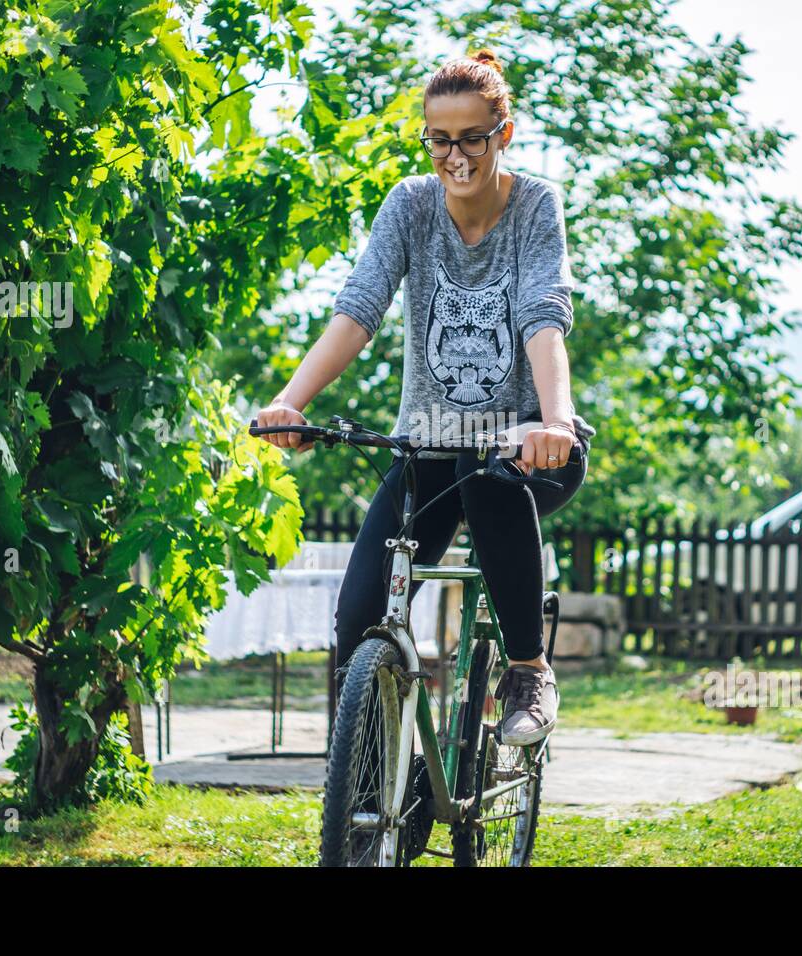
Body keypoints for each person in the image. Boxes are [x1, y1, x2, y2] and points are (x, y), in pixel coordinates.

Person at [255, 48, 593, 746]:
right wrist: (290, 401)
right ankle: (382, 793)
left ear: (504, 132)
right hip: (429, 448)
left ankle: (528, 670)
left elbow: (543, 314)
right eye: (440, 139)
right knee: (359, 621)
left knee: (488, 472)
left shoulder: (535, 206)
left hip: (527, 450)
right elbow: (358, 309)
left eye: (472, 137)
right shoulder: (410, 205)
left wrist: (554, 420)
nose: (455, 155)